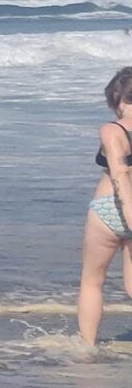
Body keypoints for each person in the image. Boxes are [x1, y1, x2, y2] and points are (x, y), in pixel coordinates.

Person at [79, 67, 132, 346]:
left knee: (92, 280)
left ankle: (87, 348)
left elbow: (120, 173)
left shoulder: (113, 130)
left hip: (111, 208)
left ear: (116, 97)